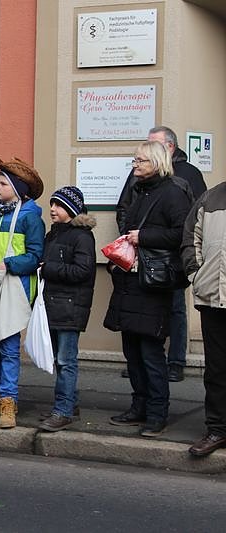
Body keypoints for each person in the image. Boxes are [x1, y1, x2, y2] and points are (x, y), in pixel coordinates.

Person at [104, 141, 191, 438]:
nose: (135, 165)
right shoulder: (140, 190)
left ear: (156, 162)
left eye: (140, 160)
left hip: (154, 284)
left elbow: (183, 233)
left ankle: (156, 413)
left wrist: (146, 236)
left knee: (151, 352)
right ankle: (138, 407)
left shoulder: (172, 192)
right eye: (134, 160)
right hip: (132, 280)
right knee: (132, 350)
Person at [116, 126, 206, 382]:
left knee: (174, 310)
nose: (137, 161)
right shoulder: (138, 181)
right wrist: (128, 235)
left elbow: (190, 223)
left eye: (154, 145)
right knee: (138, 329)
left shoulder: (185, 178)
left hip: (167, 262)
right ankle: (141, 388)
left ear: (168, 147)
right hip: (137, 262)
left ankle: (175, 362)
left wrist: (145, 237)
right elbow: (124, 208)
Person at [0, 157, 45, 429]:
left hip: (17, 288)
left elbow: (36, 255)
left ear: (17, 188)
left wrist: (10, 264)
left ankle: (9, 401)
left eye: (3, 183)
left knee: (10, 346)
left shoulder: (30, 217)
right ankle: (3, 394)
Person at [37, 186, 96, 432]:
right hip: (53, 306)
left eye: (58, 205)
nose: (52, 209)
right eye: (52, 204)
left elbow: (83, 271)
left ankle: (63, 411)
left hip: (70, 308)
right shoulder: (53, 235)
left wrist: (48, 268)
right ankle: (70, 403)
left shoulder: (81, 236)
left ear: (71, 209)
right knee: (57, 360)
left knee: (66, 360)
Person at [181, 181, 226, 456]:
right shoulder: (211, 198)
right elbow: (189, 240)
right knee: (217, 370)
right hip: (212, 298)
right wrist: (196, 276)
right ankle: (218, 429)